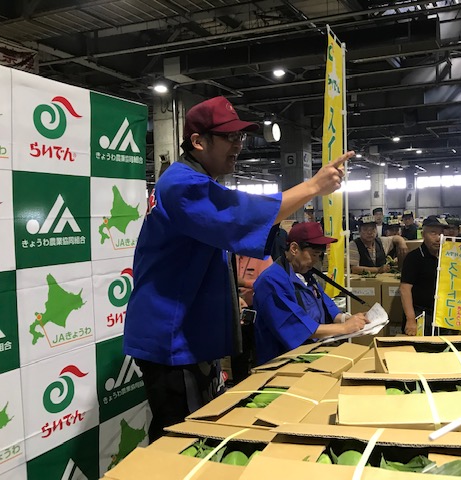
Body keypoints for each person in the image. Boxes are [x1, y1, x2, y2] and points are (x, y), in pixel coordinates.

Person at [123, 95, 353, 441]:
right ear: (198, 141)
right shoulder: (182, 184)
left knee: (192, 430)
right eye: (229, 136)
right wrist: (313, 186)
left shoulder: (195, 181)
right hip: (172, 336)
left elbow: (236, 229)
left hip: (186, 333)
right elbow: (242, 215)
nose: (238, 145)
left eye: (240, 136)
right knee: (183, 438)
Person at [253, 222, 368, 365]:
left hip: (311, 353)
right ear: (294, 249)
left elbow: (326, 306)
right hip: (283, 362)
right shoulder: (271, 282)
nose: (316, 261)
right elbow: (297, 327)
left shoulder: (306, 275)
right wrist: (344, 328)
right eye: (313, 254)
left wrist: (348, 319)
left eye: (319, 255)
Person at [400, 215, 461, 336]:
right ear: (423, 234)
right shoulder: (414, 258)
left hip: (446, 315)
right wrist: (411, 320)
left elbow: (459, 276)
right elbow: (404, 289)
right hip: (422, 315)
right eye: (433, 233)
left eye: (441, 233)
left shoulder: (451, 256)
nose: (438, 238)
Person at [231, 254, 273, 382]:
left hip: (257, 311)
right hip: (235, 311)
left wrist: (244, 283)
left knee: (257, 352)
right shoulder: (230, 255)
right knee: (238, 354)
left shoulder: (264, 258)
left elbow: (269, 282)